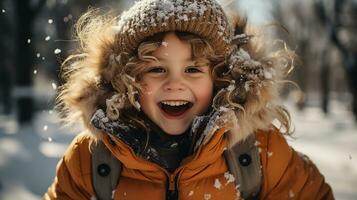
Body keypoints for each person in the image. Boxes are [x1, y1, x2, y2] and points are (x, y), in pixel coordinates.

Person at [44, 0, 334, 199]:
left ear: (219, 78)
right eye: (156, 69)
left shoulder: (259, 153)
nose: (174, 83)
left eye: (193, 69)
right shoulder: (93, 158)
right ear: (128, 79)